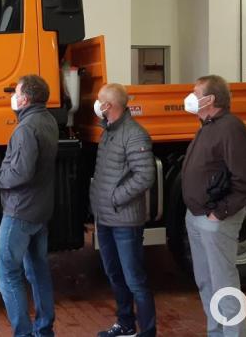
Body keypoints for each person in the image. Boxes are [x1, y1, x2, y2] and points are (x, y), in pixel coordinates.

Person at [0, 74, 58, 337]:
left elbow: (21, 173)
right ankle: (44, 330)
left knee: (6, 274)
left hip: (21, 212)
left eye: (16, 92)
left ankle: (23, 333)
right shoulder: (47, 120)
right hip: (39, 210)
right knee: (37, 271)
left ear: (25, 98)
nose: (12, 96)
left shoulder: (25, 129)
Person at [181, 75, 246, 337]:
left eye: (195, 92)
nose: (190, 97)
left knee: (224, 284)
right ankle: (216, 332)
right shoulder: (208, 125)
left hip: (215, 220)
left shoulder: (230, 127)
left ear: (210, 99)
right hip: (196, 216)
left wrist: (219, 213)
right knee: (206, 282)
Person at [90, 83, 158, 337]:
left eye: (99, 101)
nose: (96, 105)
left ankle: (148, 332)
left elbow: (145, 175)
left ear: (109, 106)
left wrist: (115, 198)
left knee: (135, 281)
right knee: (115, 274)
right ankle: (126, 324)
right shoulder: (108, 132)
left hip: (125, 221)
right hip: (106, 218)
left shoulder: (134, 134)